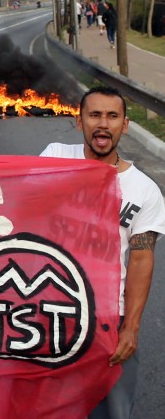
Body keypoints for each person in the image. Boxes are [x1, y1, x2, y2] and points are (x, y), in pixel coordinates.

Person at [41, 87, 165, 419]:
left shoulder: (144, 190)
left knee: (110, 412)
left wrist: (132, 328)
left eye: (112, 116)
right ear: (78, 121)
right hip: (49, 314)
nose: (103, 124)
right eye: (94, 115)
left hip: (108, 320)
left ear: (125, 124)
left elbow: (141, 258)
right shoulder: (55, 157)